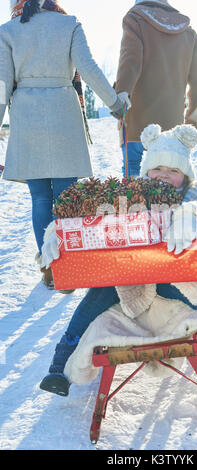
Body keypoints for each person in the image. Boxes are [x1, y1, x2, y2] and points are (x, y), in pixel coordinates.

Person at [39, 124, 197, 397]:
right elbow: (90, 217)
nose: (164, 176)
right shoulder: (133, 194)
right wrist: (57, 233)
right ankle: (58, 369)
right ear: (146, 170)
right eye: (157, 169)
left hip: (173, 276)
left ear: (185, 174)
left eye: (174, 171)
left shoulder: (192, 193)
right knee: (93, 300)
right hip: (127, 277)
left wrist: (190, 215)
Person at [0, 0, 128, 289]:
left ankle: (51, 268)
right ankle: (69, 265)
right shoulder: (69, 24)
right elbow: (89, 69)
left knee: (40, 199)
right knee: (67, 197)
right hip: (63, 113)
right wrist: (115, 103)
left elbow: (1, 84)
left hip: (27, 116)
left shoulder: (7, 31)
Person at [114, 0, 197, 177]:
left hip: (136, 119)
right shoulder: (188, 32)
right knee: (169, 182)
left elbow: (130, 58)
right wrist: (193, 124)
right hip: (172, 124)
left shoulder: (136, 19)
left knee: (132, 178)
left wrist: (122, 90)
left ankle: (133, 205)